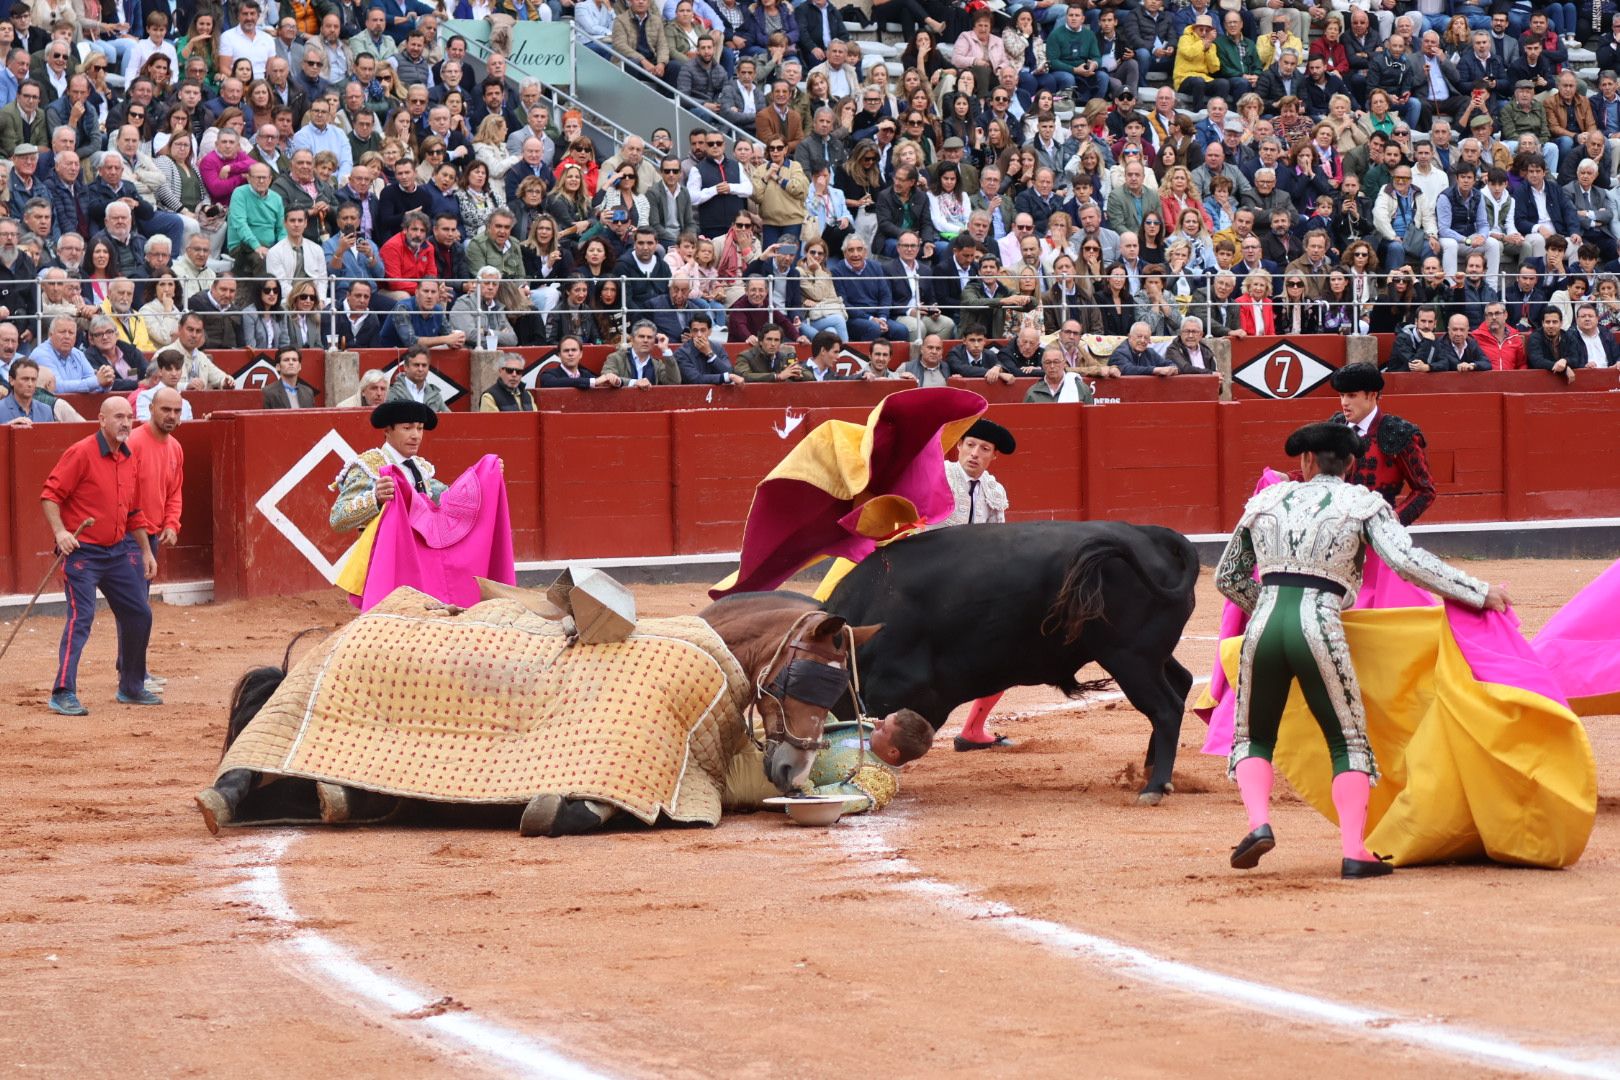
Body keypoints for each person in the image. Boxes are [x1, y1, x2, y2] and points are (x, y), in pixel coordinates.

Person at [1216, 422, 1510, 879]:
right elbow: (1406, 562)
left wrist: (1267, 608)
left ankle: (1259, 824)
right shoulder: (1363, 503)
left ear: (1306, 462)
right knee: (1347, 741)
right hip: (1320, 623)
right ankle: (1355, 851)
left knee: (1254, 736)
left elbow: (1228, 578)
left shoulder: (1265, 501)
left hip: (1264, 628)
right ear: (1351, 464)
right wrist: (1477, 590)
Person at [40, 397, 160, 716]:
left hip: (118, 552)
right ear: (101, 420)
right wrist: (61, 533)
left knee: (139, 614)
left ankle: (131, 686)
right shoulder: (81, 452)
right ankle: (63, 691)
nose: (125, 422)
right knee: (82, 618)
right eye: (118, 416)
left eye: (130, 417)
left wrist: (146, 551)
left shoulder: (128, 457)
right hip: (83, 553)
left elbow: (134, 511)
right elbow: (50, 495)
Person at [927, 417, 1016, 750]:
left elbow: (999, 545)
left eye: (985, 449)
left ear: (993, 456)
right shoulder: (938, 476)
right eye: (970, 445)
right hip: (930, 586)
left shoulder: (995, 490)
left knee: (1005, 655)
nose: (975, 453)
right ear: (959, 447)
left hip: (973, 590)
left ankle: (974, 731)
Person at [1327, 364, 1436, 525]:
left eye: (1351, 395)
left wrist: (1393, 520)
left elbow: (1425, 490)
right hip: (1335, 530)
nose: (1344, 403)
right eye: (1342, 395)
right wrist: (1285, 477)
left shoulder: (1398, 432)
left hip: (1377, 532)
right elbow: (1316, 475)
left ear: (1371, 395)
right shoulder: (1334, 427)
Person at [329, 400, 445, 539]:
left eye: (419, 428)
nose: (416, 436)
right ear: (387, 431)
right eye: (407, 428)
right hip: (380, 554)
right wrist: (375, 498)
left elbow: (448, 497)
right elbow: (337, 519)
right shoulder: (369, 466)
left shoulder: (420, 469)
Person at [1023, 346, 1094, 403]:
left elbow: (1090, 417)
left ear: (1064, 363)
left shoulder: (1080, 388)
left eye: (1056, 362)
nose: (1052, 366)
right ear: (1043, 365)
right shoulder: (1033, 392)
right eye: (1048, 362)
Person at [387, 345, 449, 411]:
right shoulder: (393, 392)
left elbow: (451, 418)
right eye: (416, 365)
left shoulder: (435, 396)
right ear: (405, 367)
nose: (420, 369)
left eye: (424, 365)